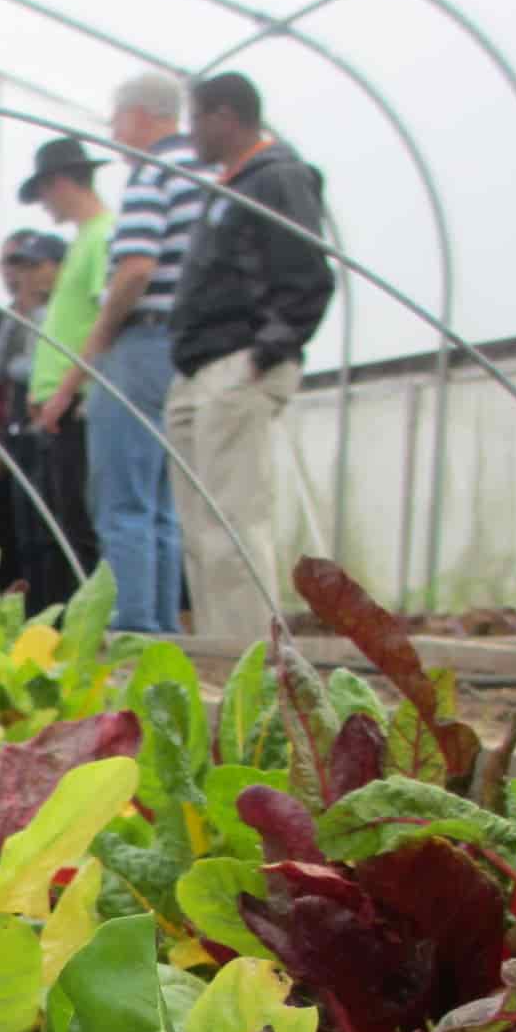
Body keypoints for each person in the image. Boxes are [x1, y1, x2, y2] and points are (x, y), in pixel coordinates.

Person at [169, 71, 335, 643]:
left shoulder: (277, 178)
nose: (190, 133)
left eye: (195, 119)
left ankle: (252, 654)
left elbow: (309, 273)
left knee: (233, 518)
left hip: (236, 365)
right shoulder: (234, 185)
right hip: (200, 369)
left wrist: (267, 351)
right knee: (200, 523)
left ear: (224, 116)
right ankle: (220, 650)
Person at [42, 75, 207, 634]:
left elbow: (136, 267)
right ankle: (159, 626)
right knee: (157, 500)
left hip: (141, 343)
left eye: (115, 121)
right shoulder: (201, 170)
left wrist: (103, 340)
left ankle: (132, 626)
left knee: (123, 499)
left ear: (139, 116)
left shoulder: (153, 174)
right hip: (180, 347)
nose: (114, 135)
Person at [21, 137, 110, 604]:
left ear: (59, 183)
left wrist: (67, 391)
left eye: (44, 194)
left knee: (79, 524)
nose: (44, 205)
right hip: (59, 405)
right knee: (62, 524)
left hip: (73, 403)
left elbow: (104, 320)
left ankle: (88, 623)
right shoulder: (83, 241)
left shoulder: (102, 235)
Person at [0, 230, 65, 603]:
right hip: (18, 431)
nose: (24, 276)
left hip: (50, 429)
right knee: (24, 533)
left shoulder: (60, 312)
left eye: (33, 266)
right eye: (18, 267)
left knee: (52, 531)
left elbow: (35, 368)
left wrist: (36, 313)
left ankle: (57, 612)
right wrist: (19, 313)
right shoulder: (14, 315)